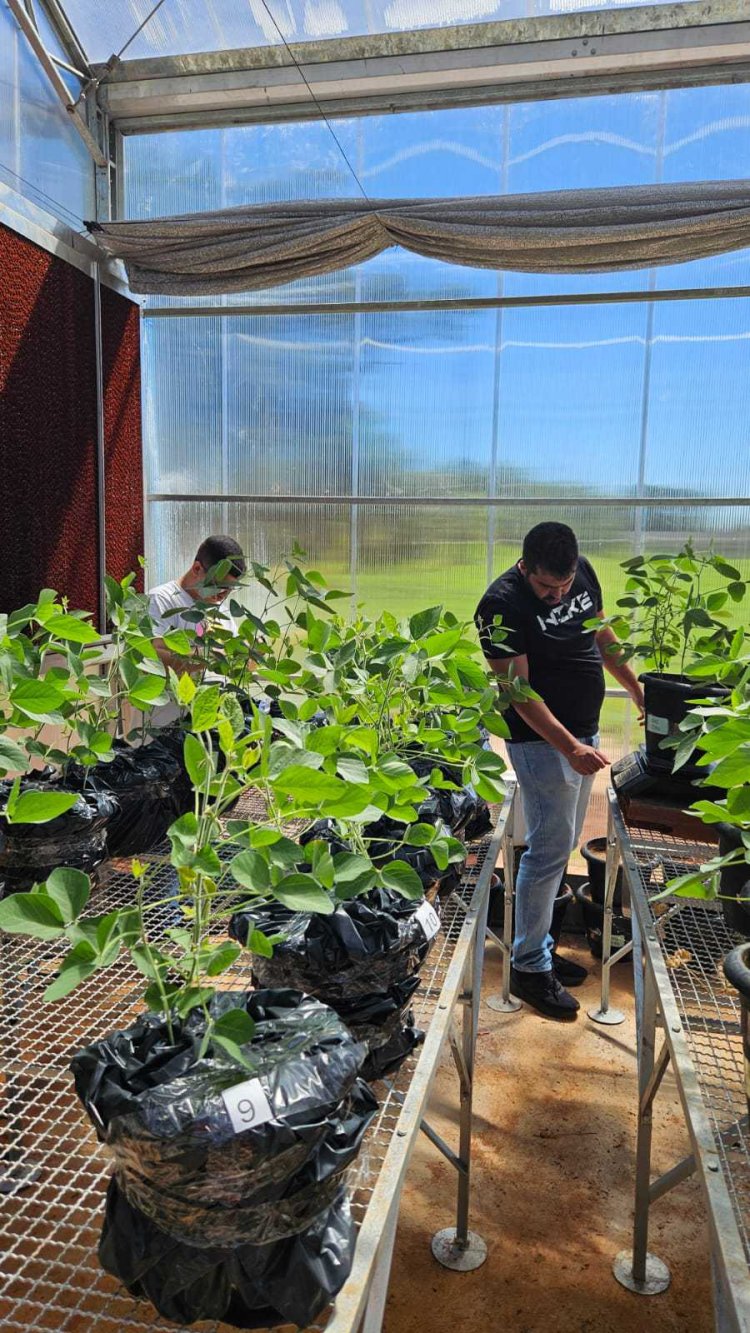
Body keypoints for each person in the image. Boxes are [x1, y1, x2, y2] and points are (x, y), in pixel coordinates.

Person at [475, 522, 644, 1020]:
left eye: (565, 587)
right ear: (524, 566)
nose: (558, 595)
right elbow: (517, 693)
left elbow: (600, 633)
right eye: (548, 588)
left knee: (562, 840)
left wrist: (636, 688)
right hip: (542, 741)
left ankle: (538, 948)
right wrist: (569, 747)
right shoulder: (499, 605)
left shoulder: (581, 571)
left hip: (581, 735)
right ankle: (528, 966)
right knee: (549, 846)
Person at [148, 535, 246, 675]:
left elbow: (234, 660)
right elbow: (152, 656)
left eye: (230, 588)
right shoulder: (162, 600)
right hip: (179, 696)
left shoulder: (221, 610)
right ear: (197, 568)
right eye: (218, 585)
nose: (222, 595)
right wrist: (207, 656)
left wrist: (248, 652)